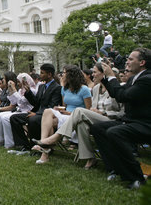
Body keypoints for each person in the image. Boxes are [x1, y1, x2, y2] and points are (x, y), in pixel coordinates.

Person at [33, 63, 123, 168]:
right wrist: (62, 110)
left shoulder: (116, 89)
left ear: (104, 73)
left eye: (94, 72)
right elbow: (88, 109)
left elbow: (121, 112)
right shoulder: (95, 88)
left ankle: (51, 140)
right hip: (82, 117)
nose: (92, 75)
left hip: (108, 118)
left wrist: (103, 113)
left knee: (78, 111)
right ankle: (90, 158)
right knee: (49, 112)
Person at [91, 48, 151, 190]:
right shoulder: (136, 78)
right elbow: (117, 93)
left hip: (146, 124)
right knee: (97, 128)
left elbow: (123, 96)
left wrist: (111, 76)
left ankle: (136, 177)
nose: (127, 62)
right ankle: (115, 168)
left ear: (142, 62)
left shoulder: (147, 79)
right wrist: (106, 78)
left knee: (115, 132)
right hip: (132, 121)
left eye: (130, 59)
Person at [31, 65, 92, 164]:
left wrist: (69, 112)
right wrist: (58, 109)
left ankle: (44, 150)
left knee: (50, 120)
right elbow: (64, 106)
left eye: (63, 73)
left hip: (77, 117)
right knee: (48, 111)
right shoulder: (65, 89)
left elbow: (87, 111)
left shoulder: (84, 90)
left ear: (71, 75)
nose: (61, 75)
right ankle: (44, 144)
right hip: (65, 116)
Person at [9, 63, 62, 153]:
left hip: (47, 115)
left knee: (33, 119)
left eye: (42, 73)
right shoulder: (41, 86)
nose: (40, 75)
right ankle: (24, 144)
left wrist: (37, 113)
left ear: (49, 74)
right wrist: (28, 92)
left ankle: (38, 145)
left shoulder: (57, 88)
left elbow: (52, 106)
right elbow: (36, 102)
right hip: (37, 112)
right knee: (14, 118)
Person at [0, 73, 38, 149]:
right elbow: (14, 102)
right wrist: (11, 90)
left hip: (27, 111)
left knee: (5, 118)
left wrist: (14, 90)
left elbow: (21, 101)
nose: (18, 84)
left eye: (19, 82)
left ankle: (9, 142)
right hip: (19, 110)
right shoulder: (20, 90)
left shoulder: (31, 90)